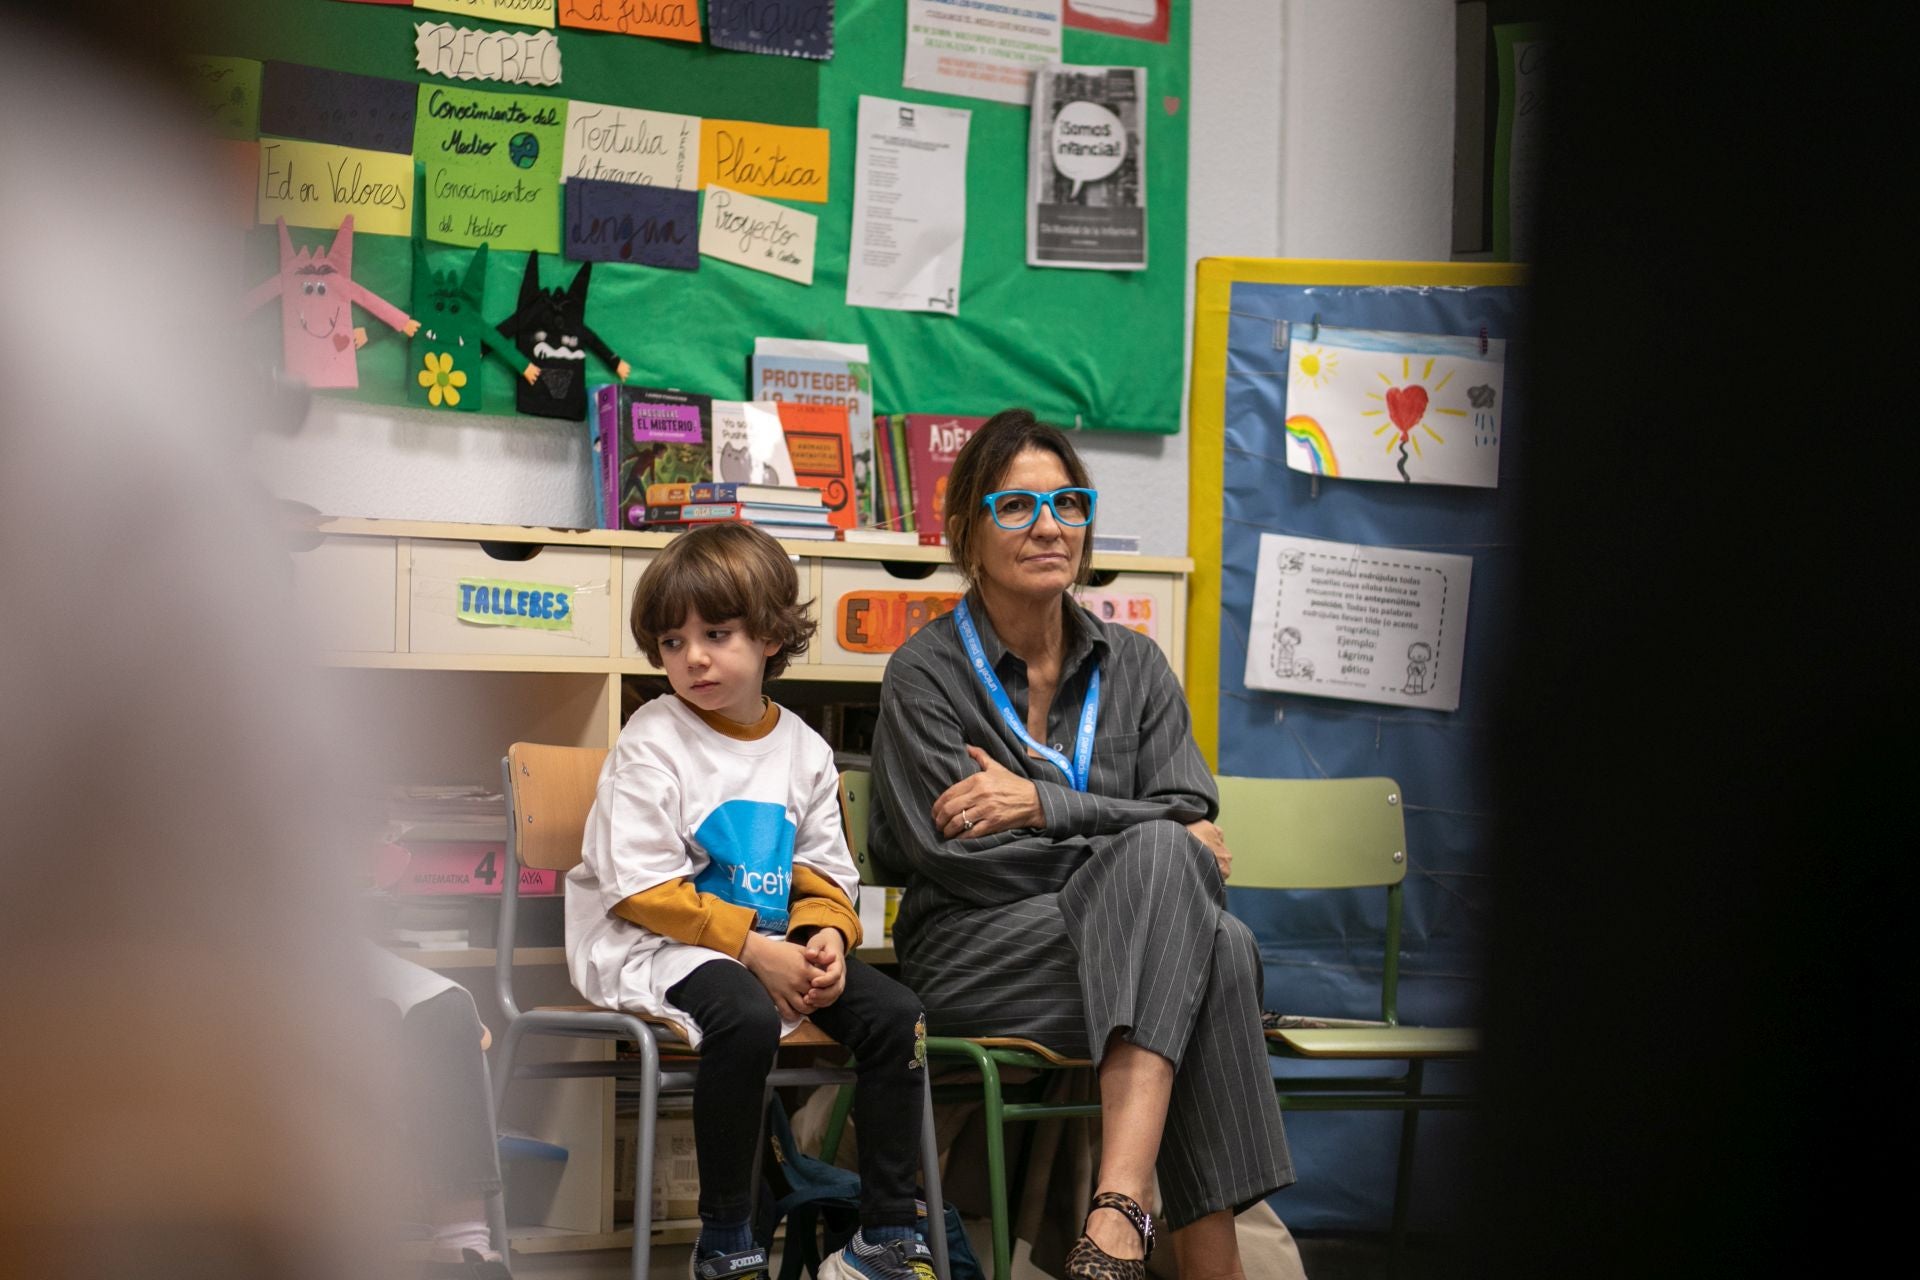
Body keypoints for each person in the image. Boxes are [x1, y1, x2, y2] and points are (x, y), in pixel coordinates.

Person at [870, 410, 1292, 1280]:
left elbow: (1190, 813)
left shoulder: (1135, 664)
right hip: (974, 957)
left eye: (1068, 502)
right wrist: (1136, 849)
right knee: (1213, 942)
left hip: (1119, 957)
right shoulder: (925, 673)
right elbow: (956, 860)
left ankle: (1116, 1219)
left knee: (1194, 924)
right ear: (967, 532)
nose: (1051, 525)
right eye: (1017, 506)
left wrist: (1044, 808)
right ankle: (1173, 1245)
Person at [565, 524, 934, 1280]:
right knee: (745, 1014)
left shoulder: (802, 747)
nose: (692, 657)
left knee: (898, 1016)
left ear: (770, 635)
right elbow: (636, 887)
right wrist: (755, 949)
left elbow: (823, 871)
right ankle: (728, 1241)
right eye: (671, 642)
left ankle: (888, 1238)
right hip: (652, 941)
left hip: (765, 945)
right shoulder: (653, 736)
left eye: (717, 633)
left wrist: (826, 934)